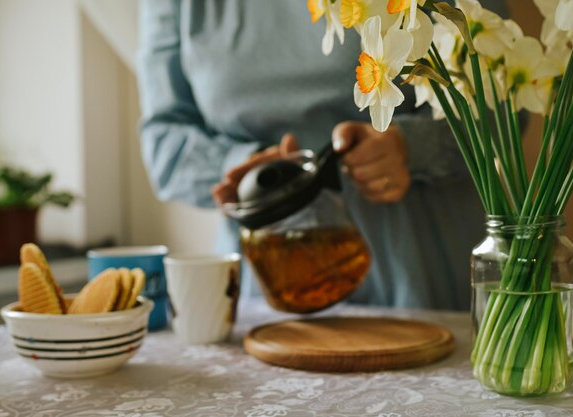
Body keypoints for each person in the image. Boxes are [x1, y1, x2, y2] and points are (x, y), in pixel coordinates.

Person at [137, 1, 509, 311]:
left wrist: (413, 147)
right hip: (269, 278)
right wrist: (247, 173)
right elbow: (163, 141)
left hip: (421, 267)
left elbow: (504, 105)